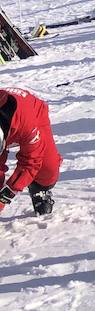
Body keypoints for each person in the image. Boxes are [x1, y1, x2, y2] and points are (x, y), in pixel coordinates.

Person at [0, 88, 62, 216]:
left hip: (33, 113)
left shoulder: (25, 123)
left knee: (48, 169)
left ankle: (39, 187)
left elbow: (30, 162)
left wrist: (4, 197)